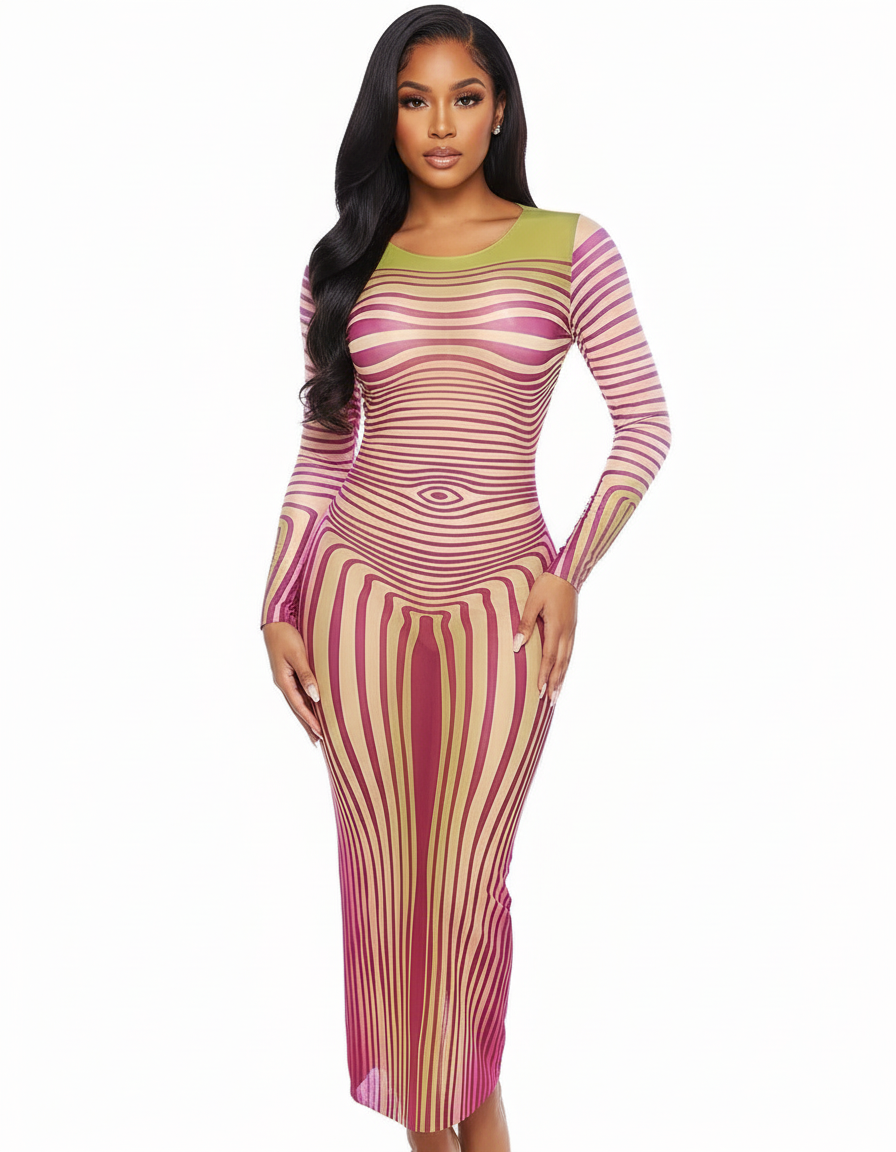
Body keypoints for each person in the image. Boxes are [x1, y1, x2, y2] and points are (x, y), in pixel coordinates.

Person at [260, 6, 672, 1150]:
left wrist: (569, 572)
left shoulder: (569, 247)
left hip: (503, 605)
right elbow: (323, 449)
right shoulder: (343, 262)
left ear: (499, 113)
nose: (439, 123)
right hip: (352, 600)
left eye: (463, 97)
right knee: (388, 898)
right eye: (414, 99)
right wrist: (274, 601)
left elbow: (643, 426)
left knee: (461, 901)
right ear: (386, 116)